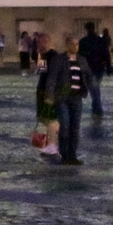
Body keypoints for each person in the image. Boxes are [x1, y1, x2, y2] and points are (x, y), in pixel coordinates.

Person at [43, 37, 92, 165]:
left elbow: (88, 75)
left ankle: (72, 155)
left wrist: (90, 87)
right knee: (65, 126)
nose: (75, 47)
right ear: (67, 45)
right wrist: (49, 95)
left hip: (77, 98)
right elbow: (52, 77)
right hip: (62, 98)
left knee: (75, 127)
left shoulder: (82, 60)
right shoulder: (59, 59)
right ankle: (64, 155)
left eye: (77, 44)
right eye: (72, 44)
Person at [77, 22, 107, 116]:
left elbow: (79, 56)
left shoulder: (83, 41)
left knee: (94, 89)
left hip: (89, 68)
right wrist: (108, 66)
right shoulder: (100, 40)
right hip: (99, 68)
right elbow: (106, 54)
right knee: (95, 88)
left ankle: (98, 110)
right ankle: (96, 109)